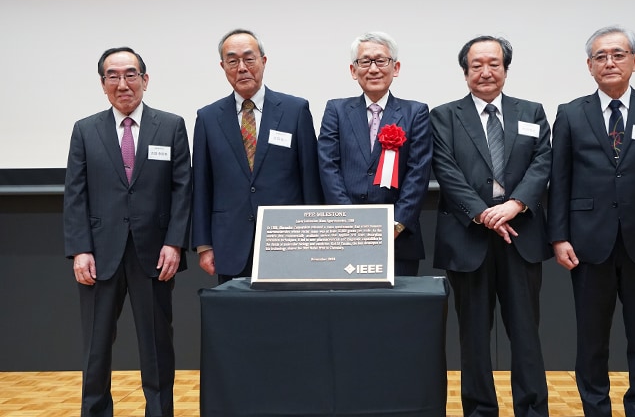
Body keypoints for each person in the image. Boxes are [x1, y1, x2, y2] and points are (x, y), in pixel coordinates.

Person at [548, 25, 635, 417]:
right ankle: (596, 410)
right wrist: (558, 236)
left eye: (618, 54)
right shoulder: (570, 113)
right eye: (600, 56)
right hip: (586, 243)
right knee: (591, 341)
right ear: (589, 66)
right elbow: (559, 180)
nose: (609, 62)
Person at [63, 47, 192, 417]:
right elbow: (76, 193)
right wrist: (80, 250)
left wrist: (175, 242)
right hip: (99, 255)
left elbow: (182, 188)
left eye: (131, 74)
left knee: (156, 346)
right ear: (103, 84)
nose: (123, 83)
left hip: (155, 254)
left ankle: (160, 412)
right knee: (96, 347)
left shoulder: (170, 126)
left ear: (145, 80)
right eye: (113, 76)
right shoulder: (85, 130)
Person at [431, 36, 552, 417]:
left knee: (526, 335)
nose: (486, 72)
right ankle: (480, 410)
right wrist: (484, 213)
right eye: (477, 64)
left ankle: (532, 409)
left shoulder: (531, 112)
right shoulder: (444, 116)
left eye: (494, 64)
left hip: (521, 236)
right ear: (465, 71)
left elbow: (542, 163)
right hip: (469, 238)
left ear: (506, 68)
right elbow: (446, 171)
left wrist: (515, 205)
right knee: (473, 337)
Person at [192, 29, 323, 283]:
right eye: (232, 61)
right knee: (237, 321)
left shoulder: (295, 110)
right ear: (223, 66)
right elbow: (202, 185)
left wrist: (315, 237)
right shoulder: (208, 118)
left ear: (263, 61)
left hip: (288, 241)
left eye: (249, 59)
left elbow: (310, 178)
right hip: (230, 242)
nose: (242, 68)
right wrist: (204, 245)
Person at [317, 31, 432, 276]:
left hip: (398, 239)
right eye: (365, 61)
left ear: (396, 67)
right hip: (344, 236)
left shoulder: (416, 112)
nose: (373, 68)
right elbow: (328, 166)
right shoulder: (336, 110)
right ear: (353, 70)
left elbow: (418, 172)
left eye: (381, 61)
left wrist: (396, 224)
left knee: (397, 312)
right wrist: (348, 221)